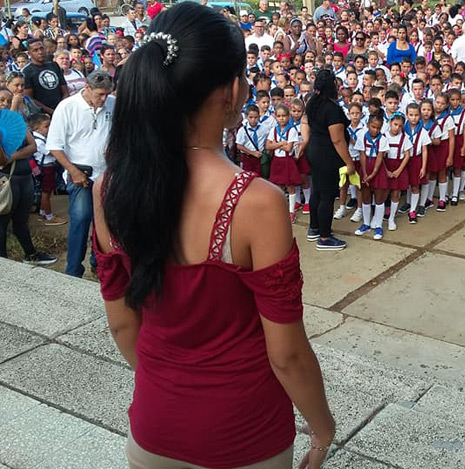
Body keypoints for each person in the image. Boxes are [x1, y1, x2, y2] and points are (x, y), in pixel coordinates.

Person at [92, 5, 335, 468]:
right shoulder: (256, 201)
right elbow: (286, 354)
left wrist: (171, 392)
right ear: (230, 90)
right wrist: (323, 430)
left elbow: (123, 324)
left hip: (152, 429)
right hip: (246, 436)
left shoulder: (109, 189)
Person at [45, 70, 115, 278]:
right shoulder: (67, 107)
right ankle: (73, 269)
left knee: (103, 221)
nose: (103, 99)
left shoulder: (113, 104)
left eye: (106, 94)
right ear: (87, 88)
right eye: (99, 95)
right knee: (80, 219)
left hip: (107, 173)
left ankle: (99, 262)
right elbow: (55, 146)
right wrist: (73, 171)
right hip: (80, 174)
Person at [303, 68, 355, 251]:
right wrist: (349, 162)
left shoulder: (312, 103)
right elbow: (337, 139)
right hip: (327, 154)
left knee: (317, 190)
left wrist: (305, 142)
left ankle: (314, 228)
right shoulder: (331, 108)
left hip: (314, 151)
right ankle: (324, 238)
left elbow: (305, 123)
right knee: (327, 196)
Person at [0, 109, 58, 265]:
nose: (5, 104)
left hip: (25, 177)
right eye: (1, 100)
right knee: (2, 222)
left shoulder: (14, 123)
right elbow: (1, 161)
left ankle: (31, 255)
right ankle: (4, 263)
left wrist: (11, 157)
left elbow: (33, 146)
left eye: (7, 100)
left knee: (21, 220)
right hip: (6, 180)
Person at [22, 38, 68, 116]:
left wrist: (61, 107)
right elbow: (29, 98)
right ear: (29, 53)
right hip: (42, 115)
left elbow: (64, 89)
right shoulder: (27, 71)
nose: (40, 52)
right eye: (35, 50)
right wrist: (50, 111)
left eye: (41, 48)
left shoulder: (54, 65)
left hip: (62, 110)